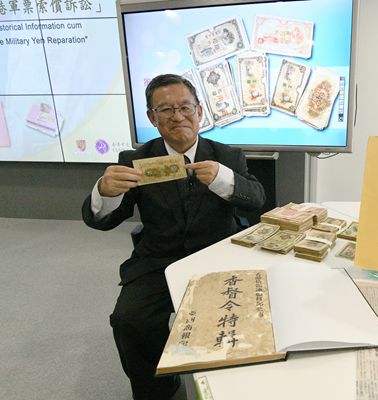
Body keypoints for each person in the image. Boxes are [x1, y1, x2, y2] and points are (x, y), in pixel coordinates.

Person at [82, 74, 266, 400]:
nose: (177, 116)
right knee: (128, 320)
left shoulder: (227, 155)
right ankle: (158, 390)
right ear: (152, 118)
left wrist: (223, 179)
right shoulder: (135, 161)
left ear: (200, 111)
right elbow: (104, 221)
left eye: (185, 107)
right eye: (165, 110)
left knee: (238, 321)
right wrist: (104, 192)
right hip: (158, 260)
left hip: (217, 259)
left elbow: (257, 199)